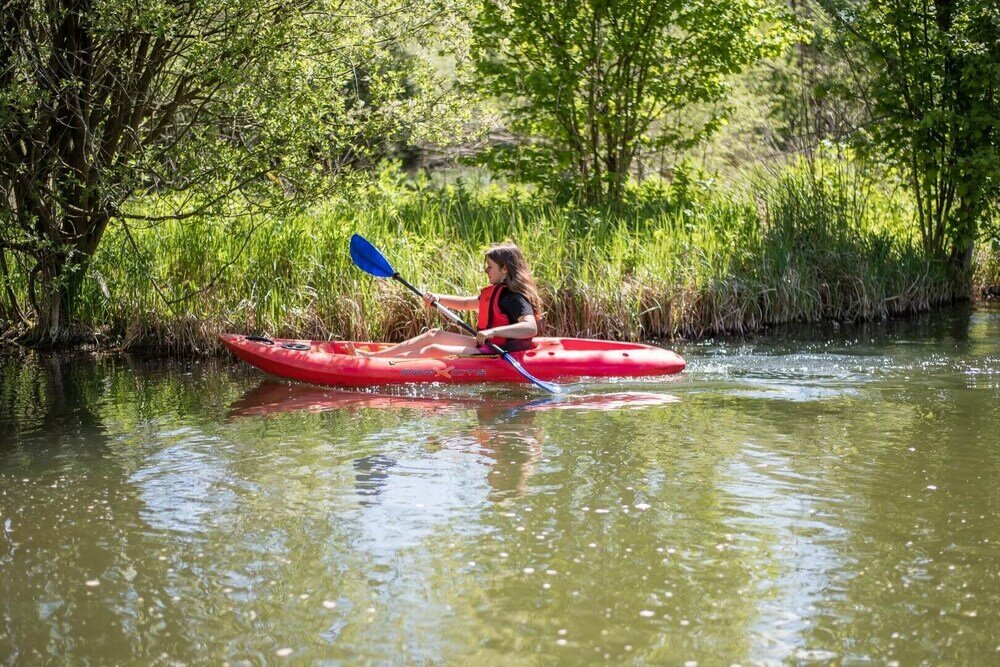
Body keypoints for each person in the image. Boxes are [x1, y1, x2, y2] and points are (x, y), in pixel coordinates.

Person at [351, 243, 542, 359]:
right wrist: (439, 298)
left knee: (433, 349)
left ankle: (385, 366)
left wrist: (492, 331)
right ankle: (374, 357)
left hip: (498, 352)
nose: (486, 271)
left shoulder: (514, 298)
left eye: (489, 267)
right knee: (434, 334)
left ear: (505, 269)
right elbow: (468, 304)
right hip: (486, 345)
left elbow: (530, 327)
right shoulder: (496, 293)